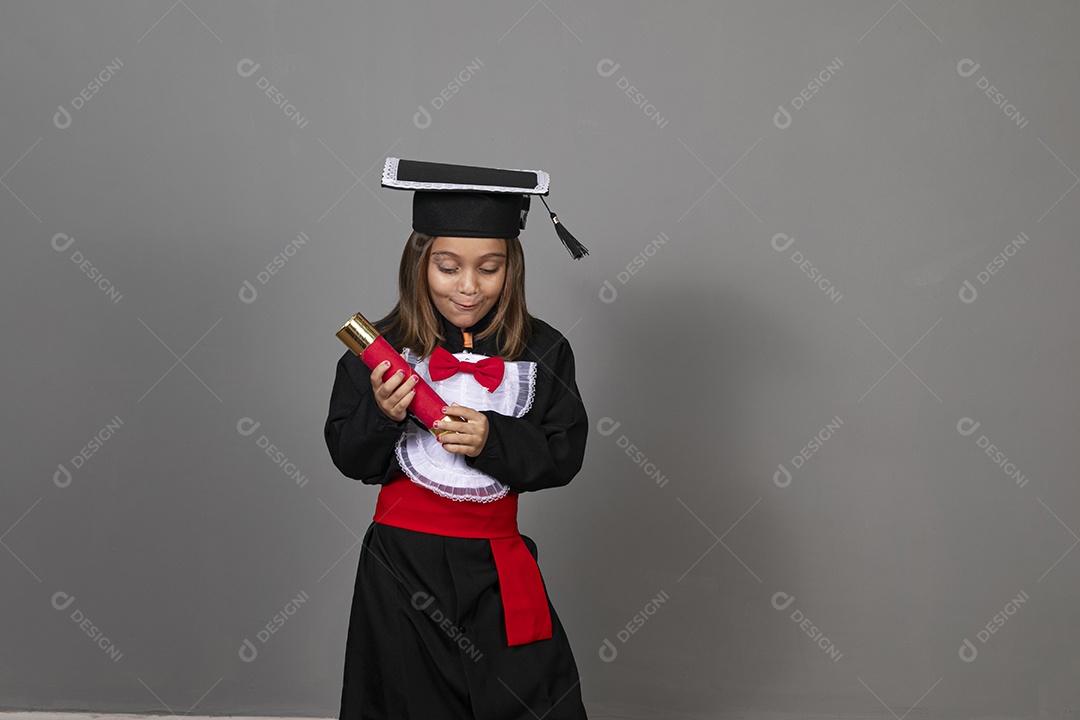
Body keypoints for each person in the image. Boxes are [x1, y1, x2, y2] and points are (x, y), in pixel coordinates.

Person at [324, 158, 590, 720]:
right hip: (401, 567)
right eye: (447, 267)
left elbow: (562, 457)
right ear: (419, 263)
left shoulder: (545, 350)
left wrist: (494, 437)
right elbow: (351, 457)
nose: (468, 287)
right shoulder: (384, 349)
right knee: (407, 702)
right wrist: (383, 414)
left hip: (498, 563)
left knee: (533, 701)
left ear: (511, 269)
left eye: (489, 268)